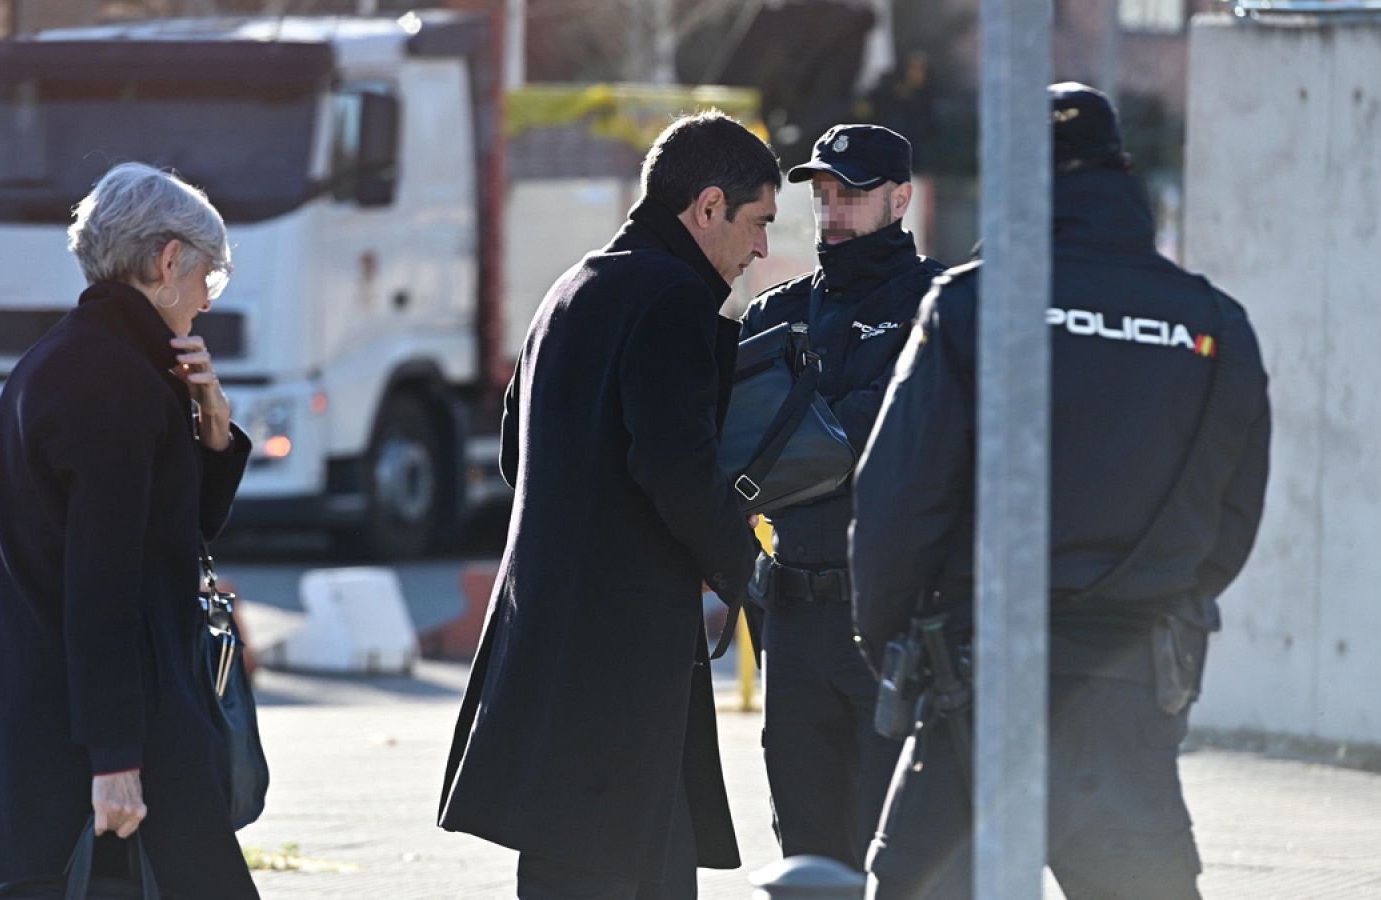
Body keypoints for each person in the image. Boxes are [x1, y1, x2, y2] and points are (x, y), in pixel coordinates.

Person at [850, 83, 1271, 899]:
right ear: (1121, 174)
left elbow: (897, 504)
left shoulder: (975, 307)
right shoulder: (1216, 327)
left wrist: (898, 649)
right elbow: (1233, 520)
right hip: (1132, 690)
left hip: (975, 688)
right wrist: (1147, 610)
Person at [438, 111, 780, 899]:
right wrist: (751, 577)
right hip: (621, 669)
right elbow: (677, 467)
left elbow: (515, 456)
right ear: (706, 207)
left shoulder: (573, 286)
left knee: (593, 870)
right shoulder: (673, 299)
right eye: (756, 223)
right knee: (622, 870)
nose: (761, 248)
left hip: (551, 645)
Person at [0, 162, 256, 898]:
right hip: (111, 730)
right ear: (166, 262)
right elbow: (103, 584)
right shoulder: (113, 381)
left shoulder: (67, 360)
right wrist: (115, 759)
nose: (205, 302)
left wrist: (215, 432)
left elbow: (167, 538)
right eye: (207, 277)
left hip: (62, 713)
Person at [739, 123, 944, 869]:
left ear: (900, 199)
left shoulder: (940, 310)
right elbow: (742, 454)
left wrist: (801, 426)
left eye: (851, 195)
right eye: (823, 194)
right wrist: (824, 426)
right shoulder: (773, 315)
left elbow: (859, 445)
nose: (832, 211)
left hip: (888, 620)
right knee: (805, 850)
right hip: (791, 616)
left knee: (893, 852)